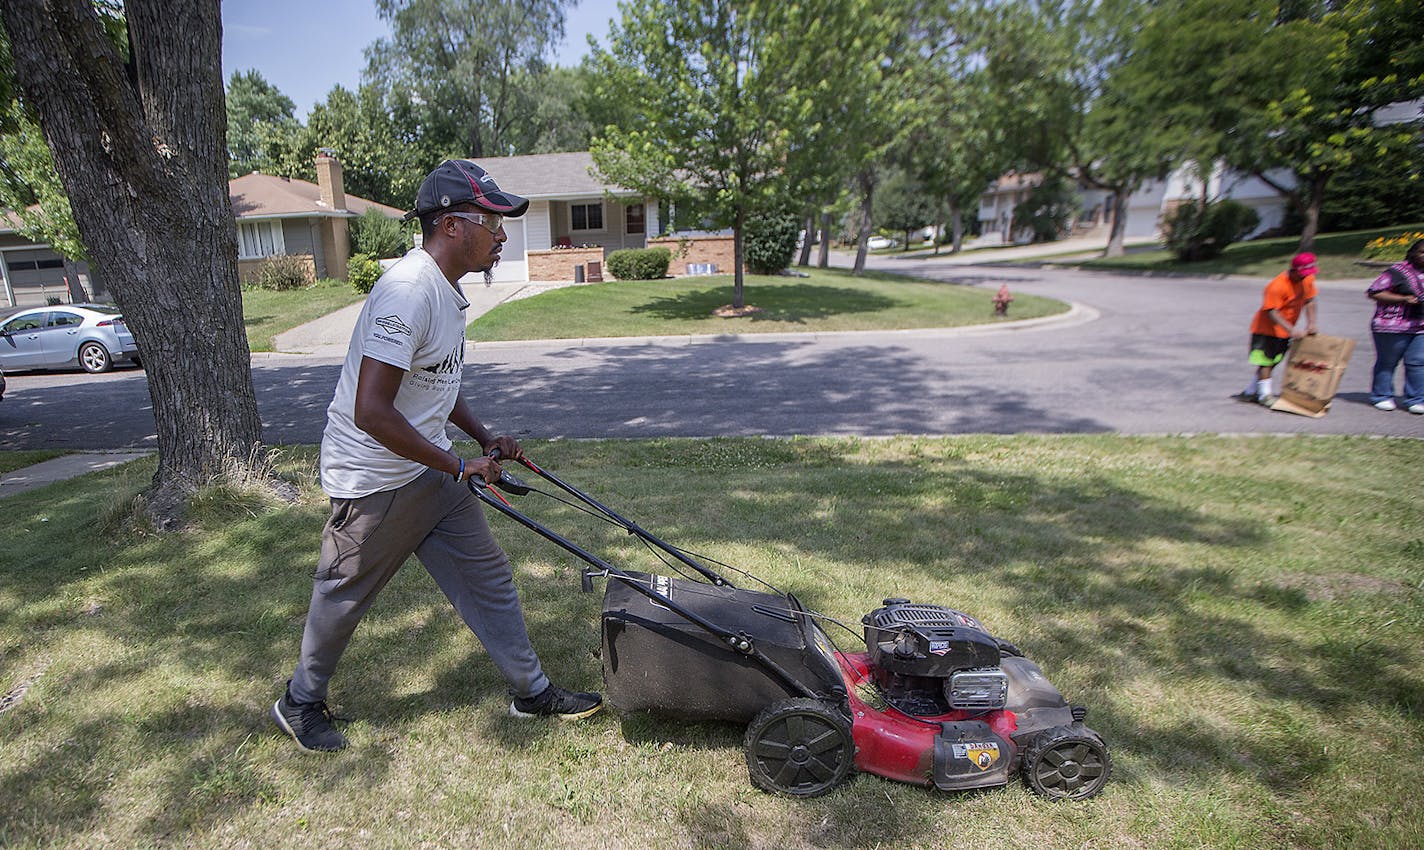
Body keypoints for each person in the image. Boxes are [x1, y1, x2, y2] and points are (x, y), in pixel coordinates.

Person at [272, 159, 603, 753]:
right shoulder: (407, 292)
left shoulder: (445, 294)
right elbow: (372, 411)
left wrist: (480, 436)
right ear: (452, 225)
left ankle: (531, 690)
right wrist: (457, 465)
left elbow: (433, 382)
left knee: (488, 575)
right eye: (492, 221)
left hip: (431, 468)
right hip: (376, 477)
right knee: (344, 593)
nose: (502, 235)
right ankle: (300, 701)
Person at [1237, 252, 1319, 406]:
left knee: (1274, 361)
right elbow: (1271, 311)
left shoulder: (1307, 280)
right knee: (1266, 362)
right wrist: (1291, 330)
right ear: (1293, 269)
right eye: (1302, 274)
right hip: (1267, 329)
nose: (1304, 277)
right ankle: (1264, 396)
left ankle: (1250, 392)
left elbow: (1310, 300)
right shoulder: (1277, 285)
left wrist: (1312, 323)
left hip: (1285, 330)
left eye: (1307, 274)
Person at [1365, 239, 1424, 414]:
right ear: (1412, 253)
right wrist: (1403, 299)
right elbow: (1374, 292)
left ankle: (1416, 399)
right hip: (1392, 326)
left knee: (1418, 362)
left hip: (1420, 326)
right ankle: (1381, 396)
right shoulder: (1397, 272)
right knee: (1388, 362)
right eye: (1422, 252)